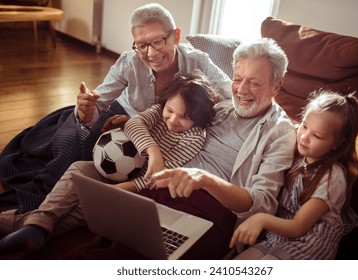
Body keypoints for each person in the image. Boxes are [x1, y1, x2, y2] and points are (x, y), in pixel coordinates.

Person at [0, 38, 296, 259]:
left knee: (90, 216)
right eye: (239, 79)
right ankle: (34, 227)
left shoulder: (280, 133)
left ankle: (24, 225)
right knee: (82, 174)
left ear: (276, 87)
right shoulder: (221, 107)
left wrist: (204, 179)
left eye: (254, 83)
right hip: (155, 178)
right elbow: (180, 119)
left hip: (198, 205)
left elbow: (261, 202)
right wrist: (134, 122)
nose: (242, 90)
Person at [0, 3, 231, 213]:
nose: (151, 53)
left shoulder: (199, 61)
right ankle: (37, 210)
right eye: (142, 45)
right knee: (72, 153)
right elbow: (98, 103)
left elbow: (231, 93)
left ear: (176, 36)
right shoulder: (128, 62)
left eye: (158, 41)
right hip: (123, 113)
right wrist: (86, 112)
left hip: (160, 128)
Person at [0, 72, 218, 254]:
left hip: (137, 187)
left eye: (184, 117)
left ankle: (22, 226)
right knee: (78, 169)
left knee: (84, 209)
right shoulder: (158, 112)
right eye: (170, 111)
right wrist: (153, 151)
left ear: (198, 118)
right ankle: (37, 225)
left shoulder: (195, 138)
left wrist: (114, 190)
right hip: (114, 170)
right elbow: (134, 125)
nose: (172, 120)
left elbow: (154, 177)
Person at [229, 91, 358, 260]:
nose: (304, 137)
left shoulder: (332, 177)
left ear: (337, 144)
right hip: (277, 237)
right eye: (305, 125)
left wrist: (261, 219)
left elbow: (298, 227)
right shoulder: (299, 153)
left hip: (309, 244)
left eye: (317, 135)